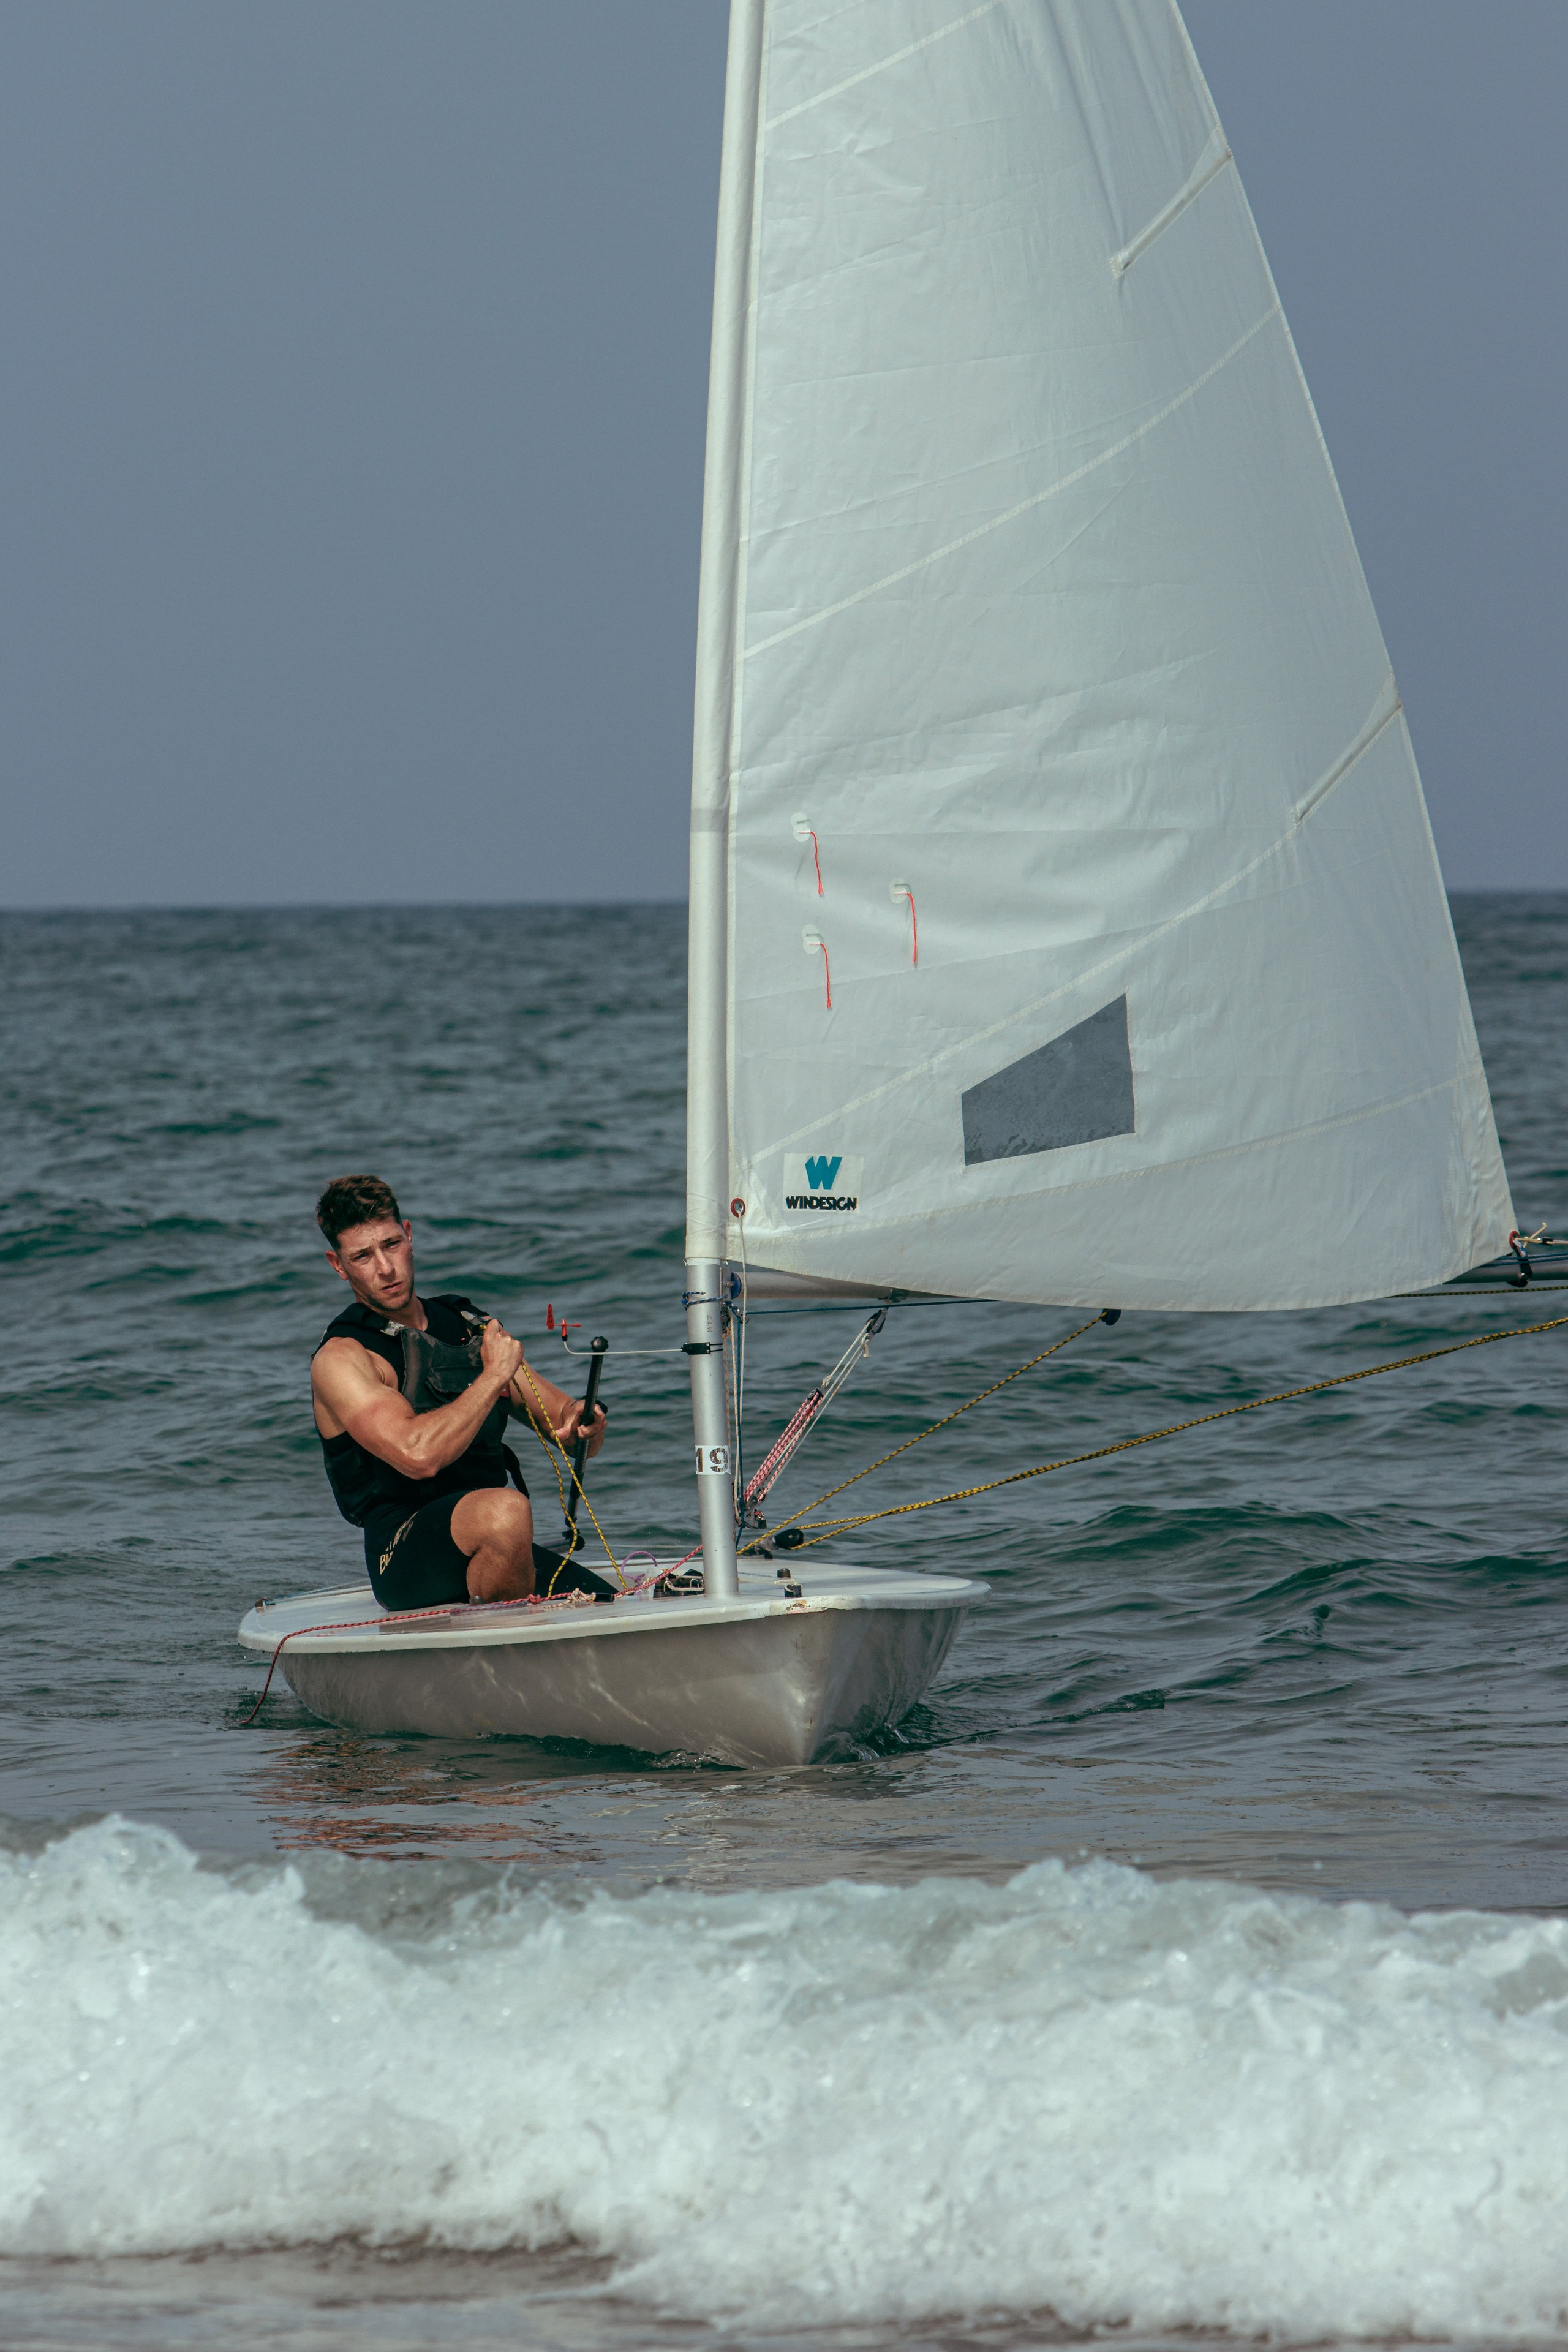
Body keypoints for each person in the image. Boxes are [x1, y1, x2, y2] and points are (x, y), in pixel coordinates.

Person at [309, 1173, 609, 1612]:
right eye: (363, 1256)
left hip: (493, 1535)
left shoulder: (467, 1325)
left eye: (391, 1245)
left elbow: (562, 1418)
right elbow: (418, 1456)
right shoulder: (343, 1359)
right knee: (507, 1514)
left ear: (409, 1236)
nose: (385, 1268)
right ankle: (508, 1659)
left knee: (610, 1603)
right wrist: (492, 1379)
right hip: (403, 1549)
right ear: (339, 1265)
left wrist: (586, 1421)